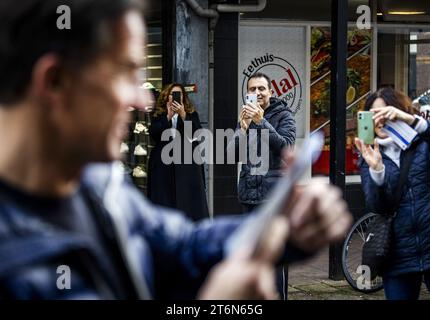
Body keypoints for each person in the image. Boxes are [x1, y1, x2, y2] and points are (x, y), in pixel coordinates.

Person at [0, 0, 352, 300]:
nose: (140, 98)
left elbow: (181, 246)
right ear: (55, 81)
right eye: (125, 74)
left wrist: (285, 231)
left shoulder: (98, 184)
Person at [355, 87, 430, 300]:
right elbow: (378, 207)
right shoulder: (369, 156)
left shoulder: (421, 143)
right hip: (398, 254)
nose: (379, 119)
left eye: (384, 112)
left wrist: (410, 119)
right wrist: (377, 170)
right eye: (373, 114)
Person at [227, 72, 296, 212]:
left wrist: (261, 122)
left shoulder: (285, 115)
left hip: (274, 196)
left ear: (270, 92)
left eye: (261, 88)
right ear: (247, 93)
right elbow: (231, 156)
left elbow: (286, 148)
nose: (257, 92)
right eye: (252, 89)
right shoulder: (246, 116)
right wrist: (243, 128)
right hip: (248, 196)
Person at [147, 84, 209, 221]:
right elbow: (154, 134)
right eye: (172, 94)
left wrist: (183, 115)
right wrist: (168, 117)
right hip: (164, 165)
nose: (175, 97)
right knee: (164, 198)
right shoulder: (159, 114)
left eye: (179, 94)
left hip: (187, 164)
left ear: (183, 97)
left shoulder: (191, 114)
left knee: (188, 201)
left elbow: (197, 135)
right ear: (166, 97)